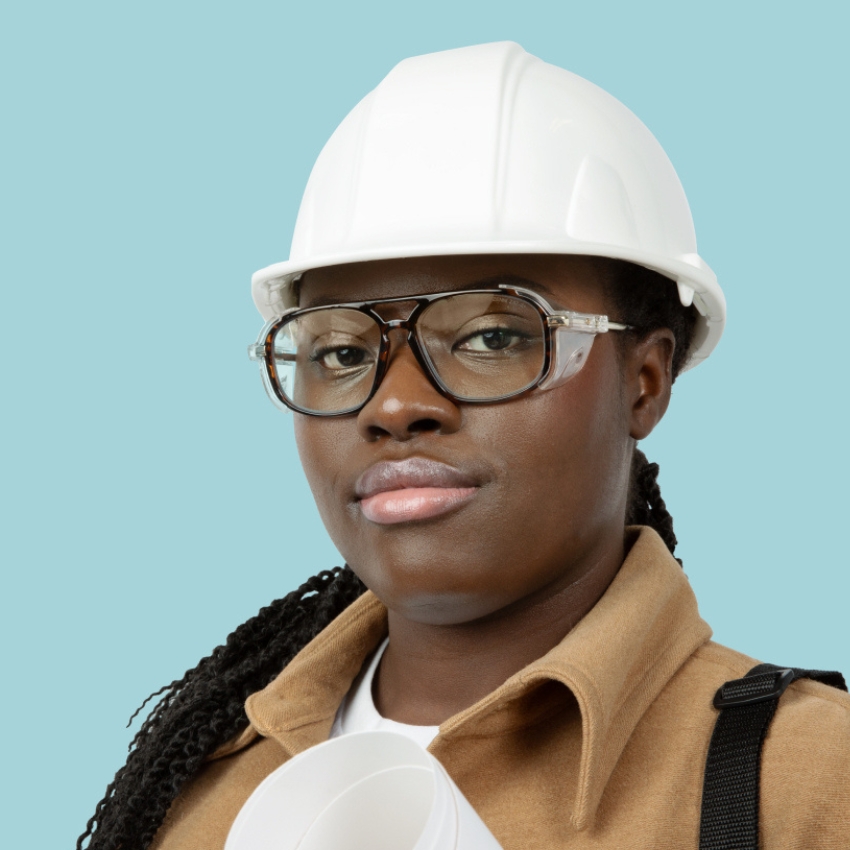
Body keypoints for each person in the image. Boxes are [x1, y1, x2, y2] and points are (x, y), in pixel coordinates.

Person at [79, 42, 850, 850]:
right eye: (341, 351)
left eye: (491, 337)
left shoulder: (802, 784)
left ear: (645, 381)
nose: (394, 404)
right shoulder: (201, 795)